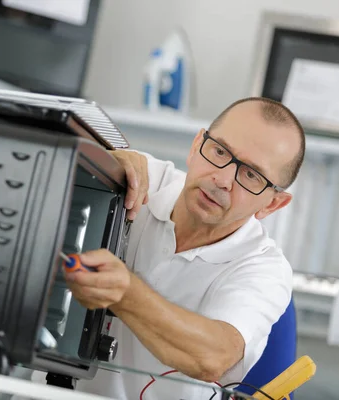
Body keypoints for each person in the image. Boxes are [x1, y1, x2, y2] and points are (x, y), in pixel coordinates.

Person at [62, 97, 306, 400]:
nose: (223, 179)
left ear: (272, 204)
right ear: (195, 147)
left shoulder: (264, 268)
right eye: (219, 151)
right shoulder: (136, 180)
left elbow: (213, 358)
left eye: (251, 175)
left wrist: (126, 293)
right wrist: (98, 167)